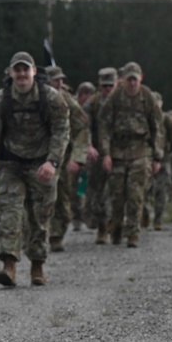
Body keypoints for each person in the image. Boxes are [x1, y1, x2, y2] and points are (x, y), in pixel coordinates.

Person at [0, 51, 70, 287]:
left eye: (25, 69)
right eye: (16, 70)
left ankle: (37, 267)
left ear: (34, 72)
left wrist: (53, 162)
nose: (21, 74)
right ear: (10, 73)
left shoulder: (52, 99)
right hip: (11, 164)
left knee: (40, 218)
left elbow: (61, 132)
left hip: (42, 164)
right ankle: (9, 266)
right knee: (10, 213)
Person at [97, 62, 163, 248]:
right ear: (124, 80)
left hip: (141, 150)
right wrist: (106, 153)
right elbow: (104, 126)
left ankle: (133, 233)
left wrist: (157, 157)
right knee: (117, 196)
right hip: (118, 150)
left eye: (135, 79)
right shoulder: (115, 98)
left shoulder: (147, 97)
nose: (132, 83)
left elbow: (157, 127)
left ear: (140, 78)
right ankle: (116, 227)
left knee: (135, 195)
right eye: (129, 79)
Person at [45, 66, 89, 251]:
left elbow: (82, 127)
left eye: (61, 80)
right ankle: (33, 235)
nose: (59, 83)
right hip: (36, 155)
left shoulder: (67, 99)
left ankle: (57, 235)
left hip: (62, 156)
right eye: (55, 80)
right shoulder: (34, 96)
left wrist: (77, 157)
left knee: (62, 199)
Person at [83, 68, 117, 243]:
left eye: (111, 86)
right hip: (98, 152)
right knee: (98, 190)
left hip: (120, 151)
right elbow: (85, 127)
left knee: (119, 190)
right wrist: (88, 146)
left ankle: (118, 224)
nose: (108, 90)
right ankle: (102, 226)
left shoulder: (124, 101)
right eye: (104, 86)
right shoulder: (92, 104)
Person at [146, 92, 172, 231]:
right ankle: (144, 214)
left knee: (161, 189)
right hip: (146, 157)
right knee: (144, 189)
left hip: (164, 158)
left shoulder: (166, 120)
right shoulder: (145, 118)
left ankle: (158, 219)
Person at [70, 81, 96, 231]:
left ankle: (87, 215)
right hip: (74, 151)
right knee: (74, 187)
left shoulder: (92, 109)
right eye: (86, 95)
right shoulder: (74, 107)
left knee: (86, 185)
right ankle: (76, 217)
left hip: (88, 151)